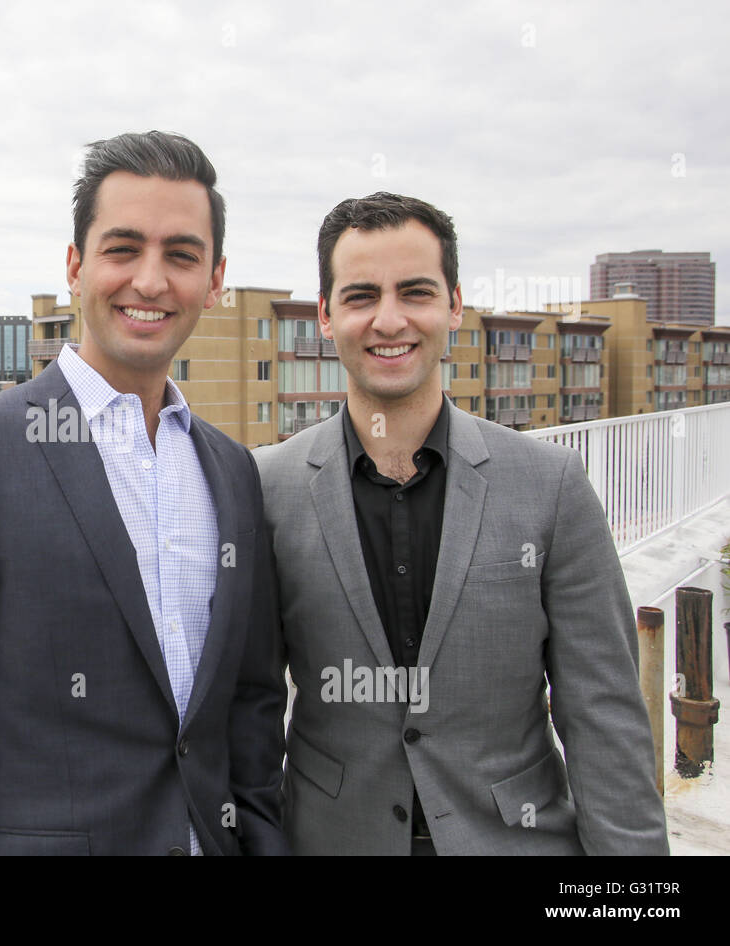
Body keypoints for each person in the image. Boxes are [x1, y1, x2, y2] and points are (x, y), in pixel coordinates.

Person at [0, 131, 288, 855]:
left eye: (181, 255)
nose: (151, 282)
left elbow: (250, 703)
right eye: (123, 249)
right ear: (75, 265)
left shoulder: (231, 470)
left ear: (215, 280)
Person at [255, 192, 668, 855]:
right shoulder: (267, 490)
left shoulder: (552, 488)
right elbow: (250, 706)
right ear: (326, 317)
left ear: (454, 305)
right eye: (361, 296)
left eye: (414, 292)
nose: (390, 320)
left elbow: (604, 716)